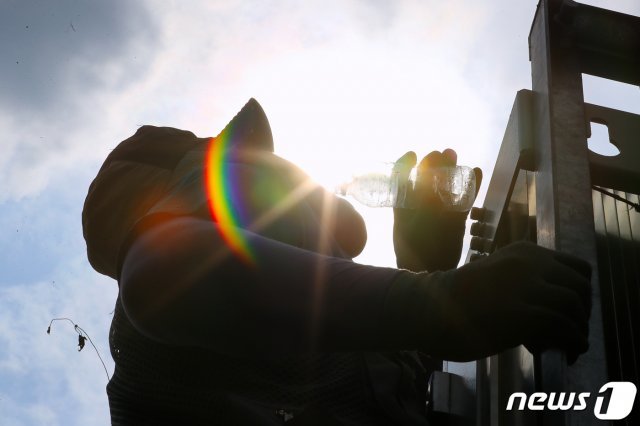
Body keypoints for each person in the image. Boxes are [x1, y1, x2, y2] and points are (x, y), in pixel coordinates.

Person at [82, 99, 591, 425]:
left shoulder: (295, 322)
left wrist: (423, 265)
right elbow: (160, 274)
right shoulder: (151, 356)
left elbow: (392, 386)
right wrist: (436, 301)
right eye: (254, 172)